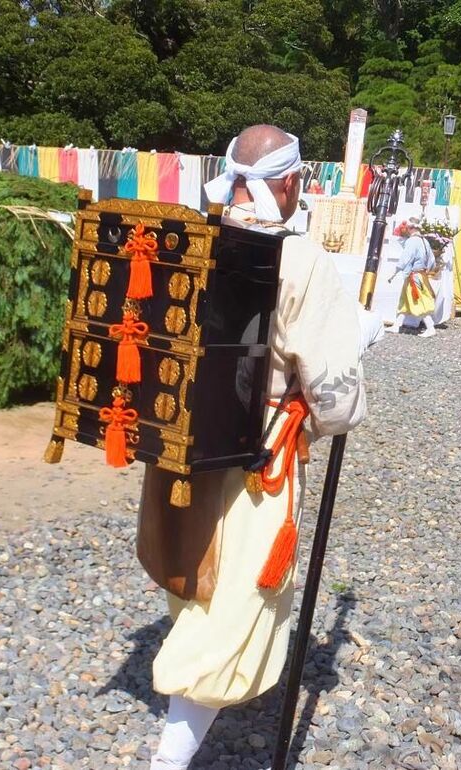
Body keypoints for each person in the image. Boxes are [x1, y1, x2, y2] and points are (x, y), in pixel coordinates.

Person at [144, 124, 367, 769]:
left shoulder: (192, 238)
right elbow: (334, 397)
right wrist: (357, 344)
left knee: (196, 577)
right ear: (291, 181)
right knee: (229, 609)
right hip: (256, 458)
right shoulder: (301, 260)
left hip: (181, 443)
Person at [387, 219, 437, 337]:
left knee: (418, 300)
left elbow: (406, 258)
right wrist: (427, 269)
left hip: (414, 277)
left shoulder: (412, 241)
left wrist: (395, 271)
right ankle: (397, 325)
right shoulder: (425, 241)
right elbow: (432, 260)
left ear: (410, 228)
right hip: (419, 275)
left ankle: (430, 327)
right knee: (404, 300)